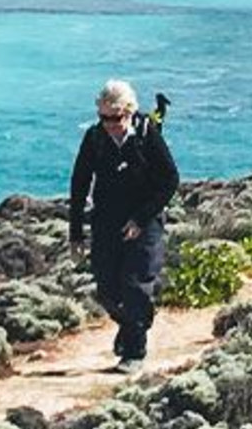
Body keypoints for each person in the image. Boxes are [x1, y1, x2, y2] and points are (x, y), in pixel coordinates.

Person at [69, 80, 180, 374]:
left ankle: (135, 350)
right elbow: (79, 183)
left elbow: (169, 180)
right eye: (104, 117)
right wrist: (76, 232)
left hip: (145, 221)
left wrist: (141, 219)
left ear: (129, 112)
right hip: (107, 220)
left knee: (135, 285)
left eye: (116, 118)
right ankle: (130, 325)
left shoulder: (147, 134)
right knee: (106, 289)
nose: (110, 124)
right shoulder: (95, 138)